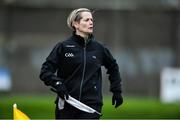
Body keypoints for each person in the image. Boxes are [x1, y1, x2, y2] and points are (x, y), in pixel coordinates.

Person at [39, 8, 123, 119]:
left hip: (91, 105)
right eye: (86, 20)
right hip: (67, 103)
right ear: (75, 24)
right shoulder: (63, 47)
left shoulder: (99, 48)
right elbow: (45, 71)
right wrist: (58, 84)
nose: (91, 22)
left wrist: (116, 90)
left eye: (91, 20)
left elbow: (113, 67)